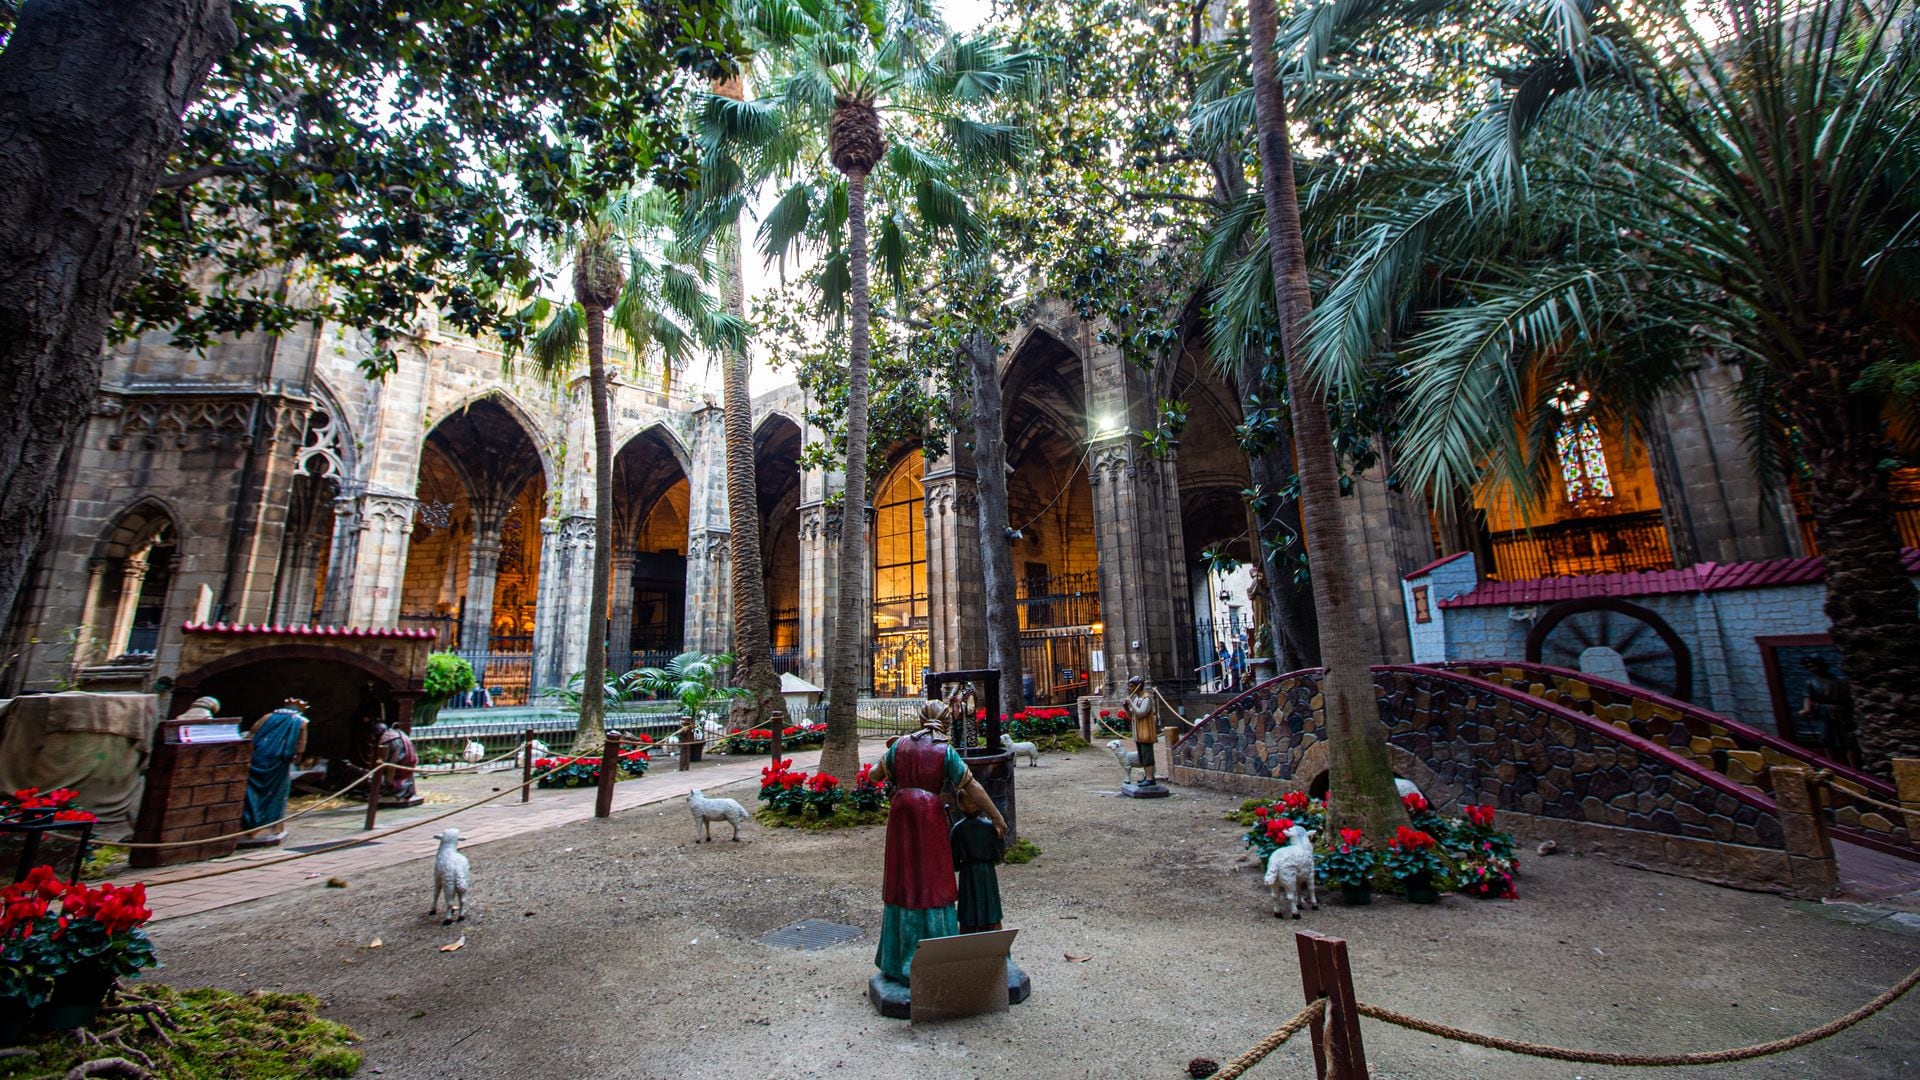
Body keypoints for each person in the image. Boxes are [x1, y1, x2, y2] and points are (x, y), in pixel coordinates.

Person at [867, 697, 1006, 990]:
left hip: (901, 813)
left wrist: (895, 761)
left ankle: (896, 960)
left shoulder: (901, 745)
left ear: (920, 718)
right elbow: (973, 786)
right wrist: (996, 816)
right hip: (928, 813)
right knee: (933, 879)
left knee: (902, 881)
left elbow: (872, 775)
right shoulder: (944, 751)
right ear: (945, 723)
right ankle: (934, 954)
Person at [241, 697, 309, 842]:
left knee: (252, 791)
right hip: (279, 762)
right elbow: (300, 747)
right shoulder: (301, 722)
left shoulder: (267, 717)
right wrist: (297, 759)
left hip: (258, 758)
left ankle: (250, 825)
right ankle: (272, 826)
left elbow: (252, 734)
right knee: (277, 792)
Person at [951, 811, 1006, 934]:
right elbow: (999, 855)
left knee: (968, 913)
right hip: (987, 872)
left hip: (968, 874)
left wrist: (961, 865)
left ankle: (970, 938)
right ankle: (992, 935)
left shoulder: (958, 828)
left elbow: (953, 860)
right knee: (990, 909)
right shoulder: (989, 826)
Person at [1799, 657, 1859, 768]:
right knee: (1826, 739)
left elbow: (1848, 700)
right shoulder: (1811, 682)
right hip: (1823, 712)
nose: (1812, 669)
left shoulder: (1839, 682)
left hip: (1840, 712)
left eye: (1814, 666)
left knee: (1847, 741)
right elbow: (1808, 697)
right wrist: (1806, 709)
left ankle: (1853, 767)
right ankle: (1833, 765)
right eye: (1809, 667)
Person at [1125, 674, 1160, 786]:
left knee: (1147, 755)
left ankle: (1150, 778)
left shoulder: (1146, 698)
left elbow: (1141, 713)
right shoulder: (1136, 698)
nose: (1129, 689)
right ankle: (1147, 776)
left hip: (1145, 731)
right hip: (1138, 732)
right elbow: (1132, 715)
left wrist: (1131, 703)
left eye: (1131, 686)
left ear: (1138, 686)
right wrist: (1127, 708)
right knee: (1142, 755)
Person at [372, 721, 419, 803]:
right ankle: (406, 790)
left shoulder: (385, 739)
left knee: (384, 775)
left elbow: (384, 761)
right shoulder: (398, 733)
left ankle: (396, 791)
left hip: (400, 762)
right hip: (411, 760)